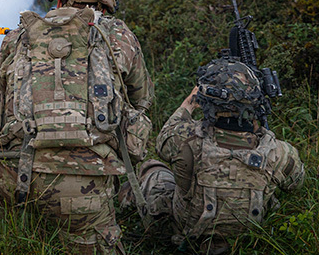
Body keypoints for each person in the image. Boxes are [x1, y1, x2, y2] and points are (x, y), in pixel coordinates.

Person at [0, 0, 154, 254]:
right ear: (104, 4)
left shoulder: (17, 36)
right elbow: (142, 100)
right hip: (84, 188)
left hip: (11, 174)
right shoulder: (120, 36)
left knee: (2, 245)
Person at [126, 58, 305, 253]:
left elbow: (162, 142)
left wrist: (189, 102)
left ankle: (124, 202)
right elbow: (296, 184)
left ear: (207, 100)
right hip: (249, 239)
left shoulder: (185, 138)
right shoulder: (279, 152)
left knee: (153, 168)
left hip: (187, 233)